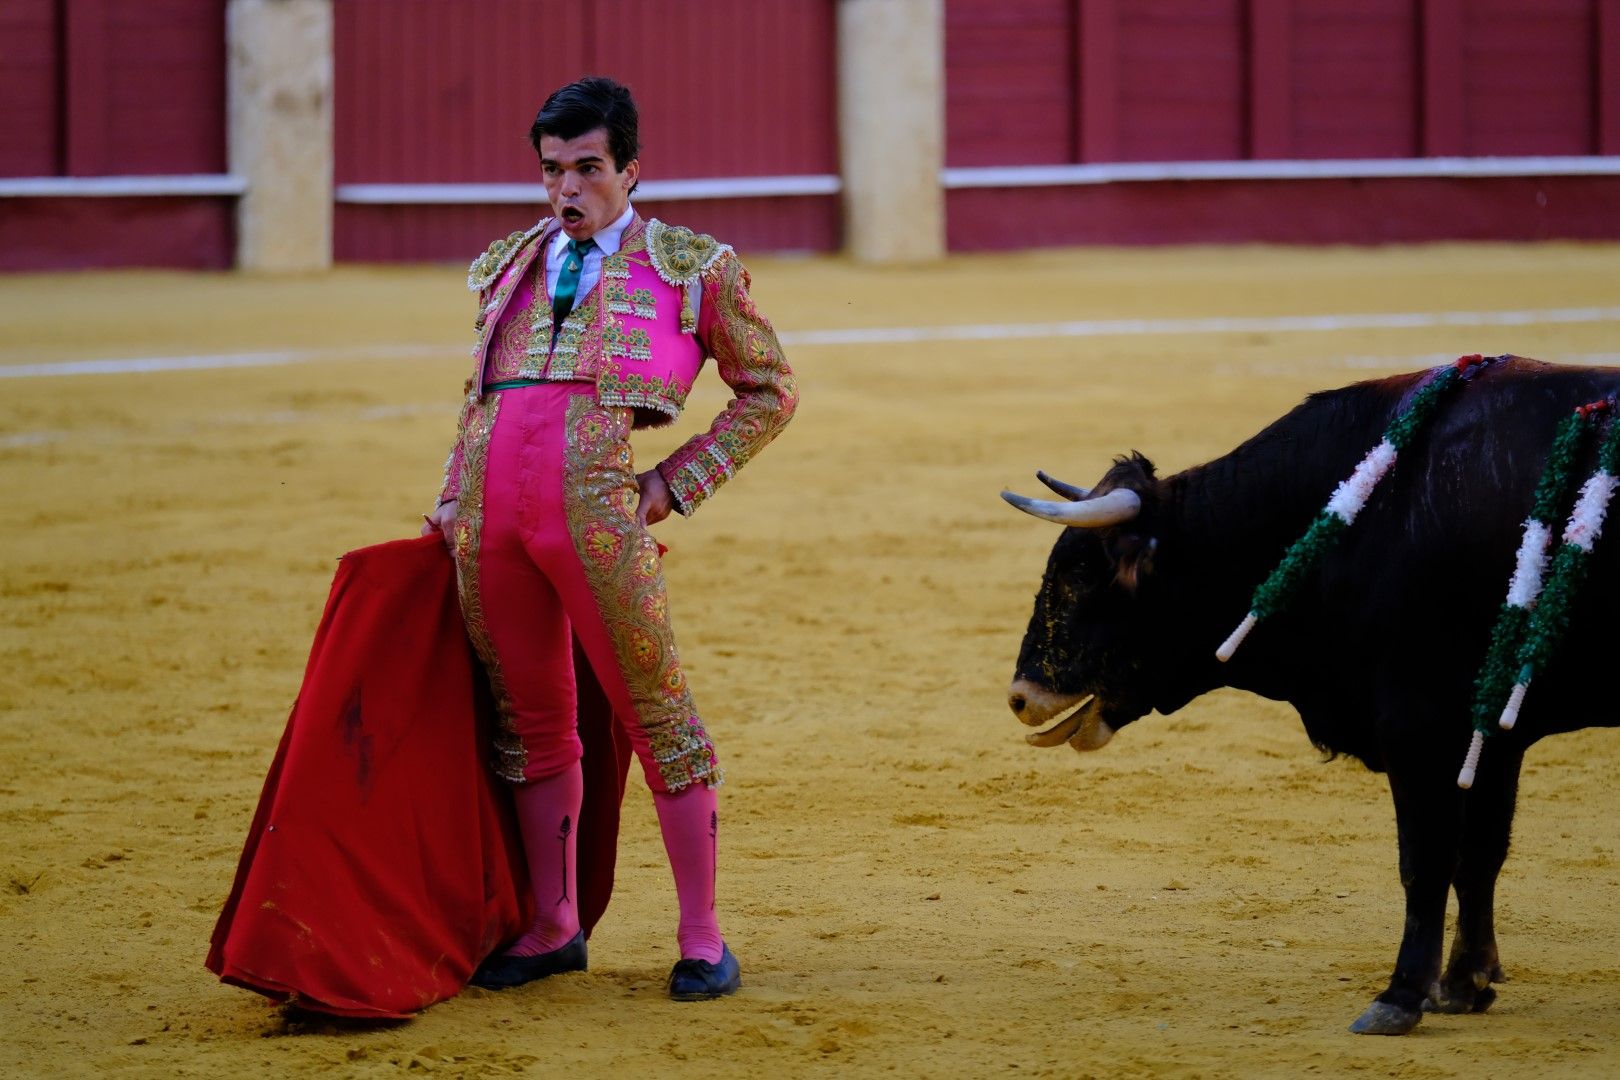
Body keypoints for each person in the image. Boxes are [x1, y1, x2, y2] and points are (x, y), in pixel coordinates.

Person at [421, 76, 797, 1001]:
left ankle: (703, 938)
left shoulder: (690, 266)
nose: (568, 188)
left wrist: (677, 480)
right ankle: (554, 926)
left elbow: (770, 390)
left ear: (631, 168)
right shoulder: (509, 262)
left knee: (656, 714)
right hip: (492, 519)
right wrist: (450, 500)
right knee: (530, 726)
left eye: (588, 168)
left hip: (597, 514)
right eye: (553, 170)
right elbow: (479, 397)